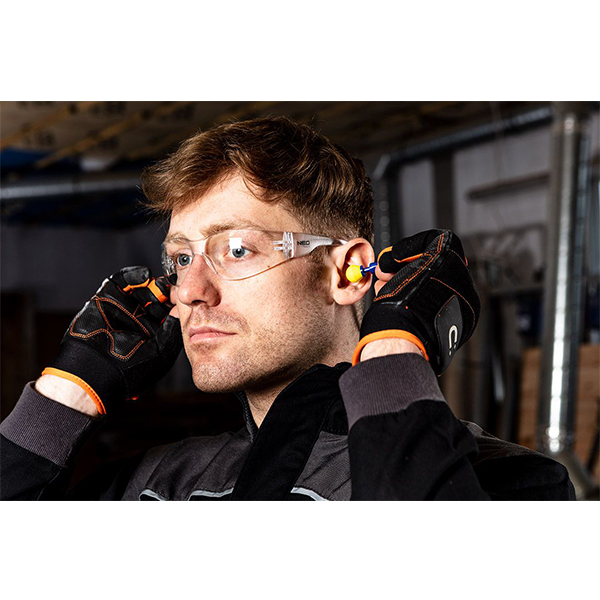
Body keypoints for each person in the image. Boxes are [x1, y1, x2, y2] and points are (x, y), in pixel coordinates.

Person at [0, 116, 574, 500]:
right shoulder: (156, 486)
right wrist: (67, 392)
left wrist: (393, 348)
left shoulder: (503, 482)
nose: (191, 289)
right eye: (180, 259)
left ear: (346, 273)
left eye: (237, 249)